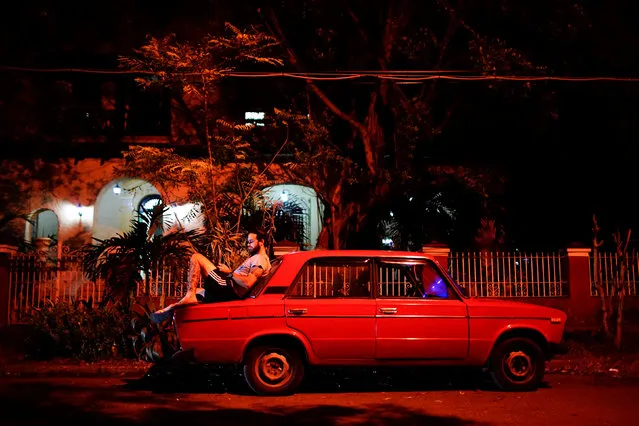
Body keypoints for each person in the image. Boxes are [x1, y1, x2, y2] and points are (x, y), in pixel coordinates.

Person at [150, 230, 271, 323]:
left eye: (251, 242)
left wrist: (229, 273)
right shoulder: (259, 259)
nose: (248, 245)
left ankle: (189, 296)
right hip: (228, 287)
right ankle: (169, 309)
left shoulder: (259, 259)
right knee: (198, 292)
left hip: (228, 288)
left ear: (262, 242)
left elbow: (248, 283)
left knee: (196, 257)